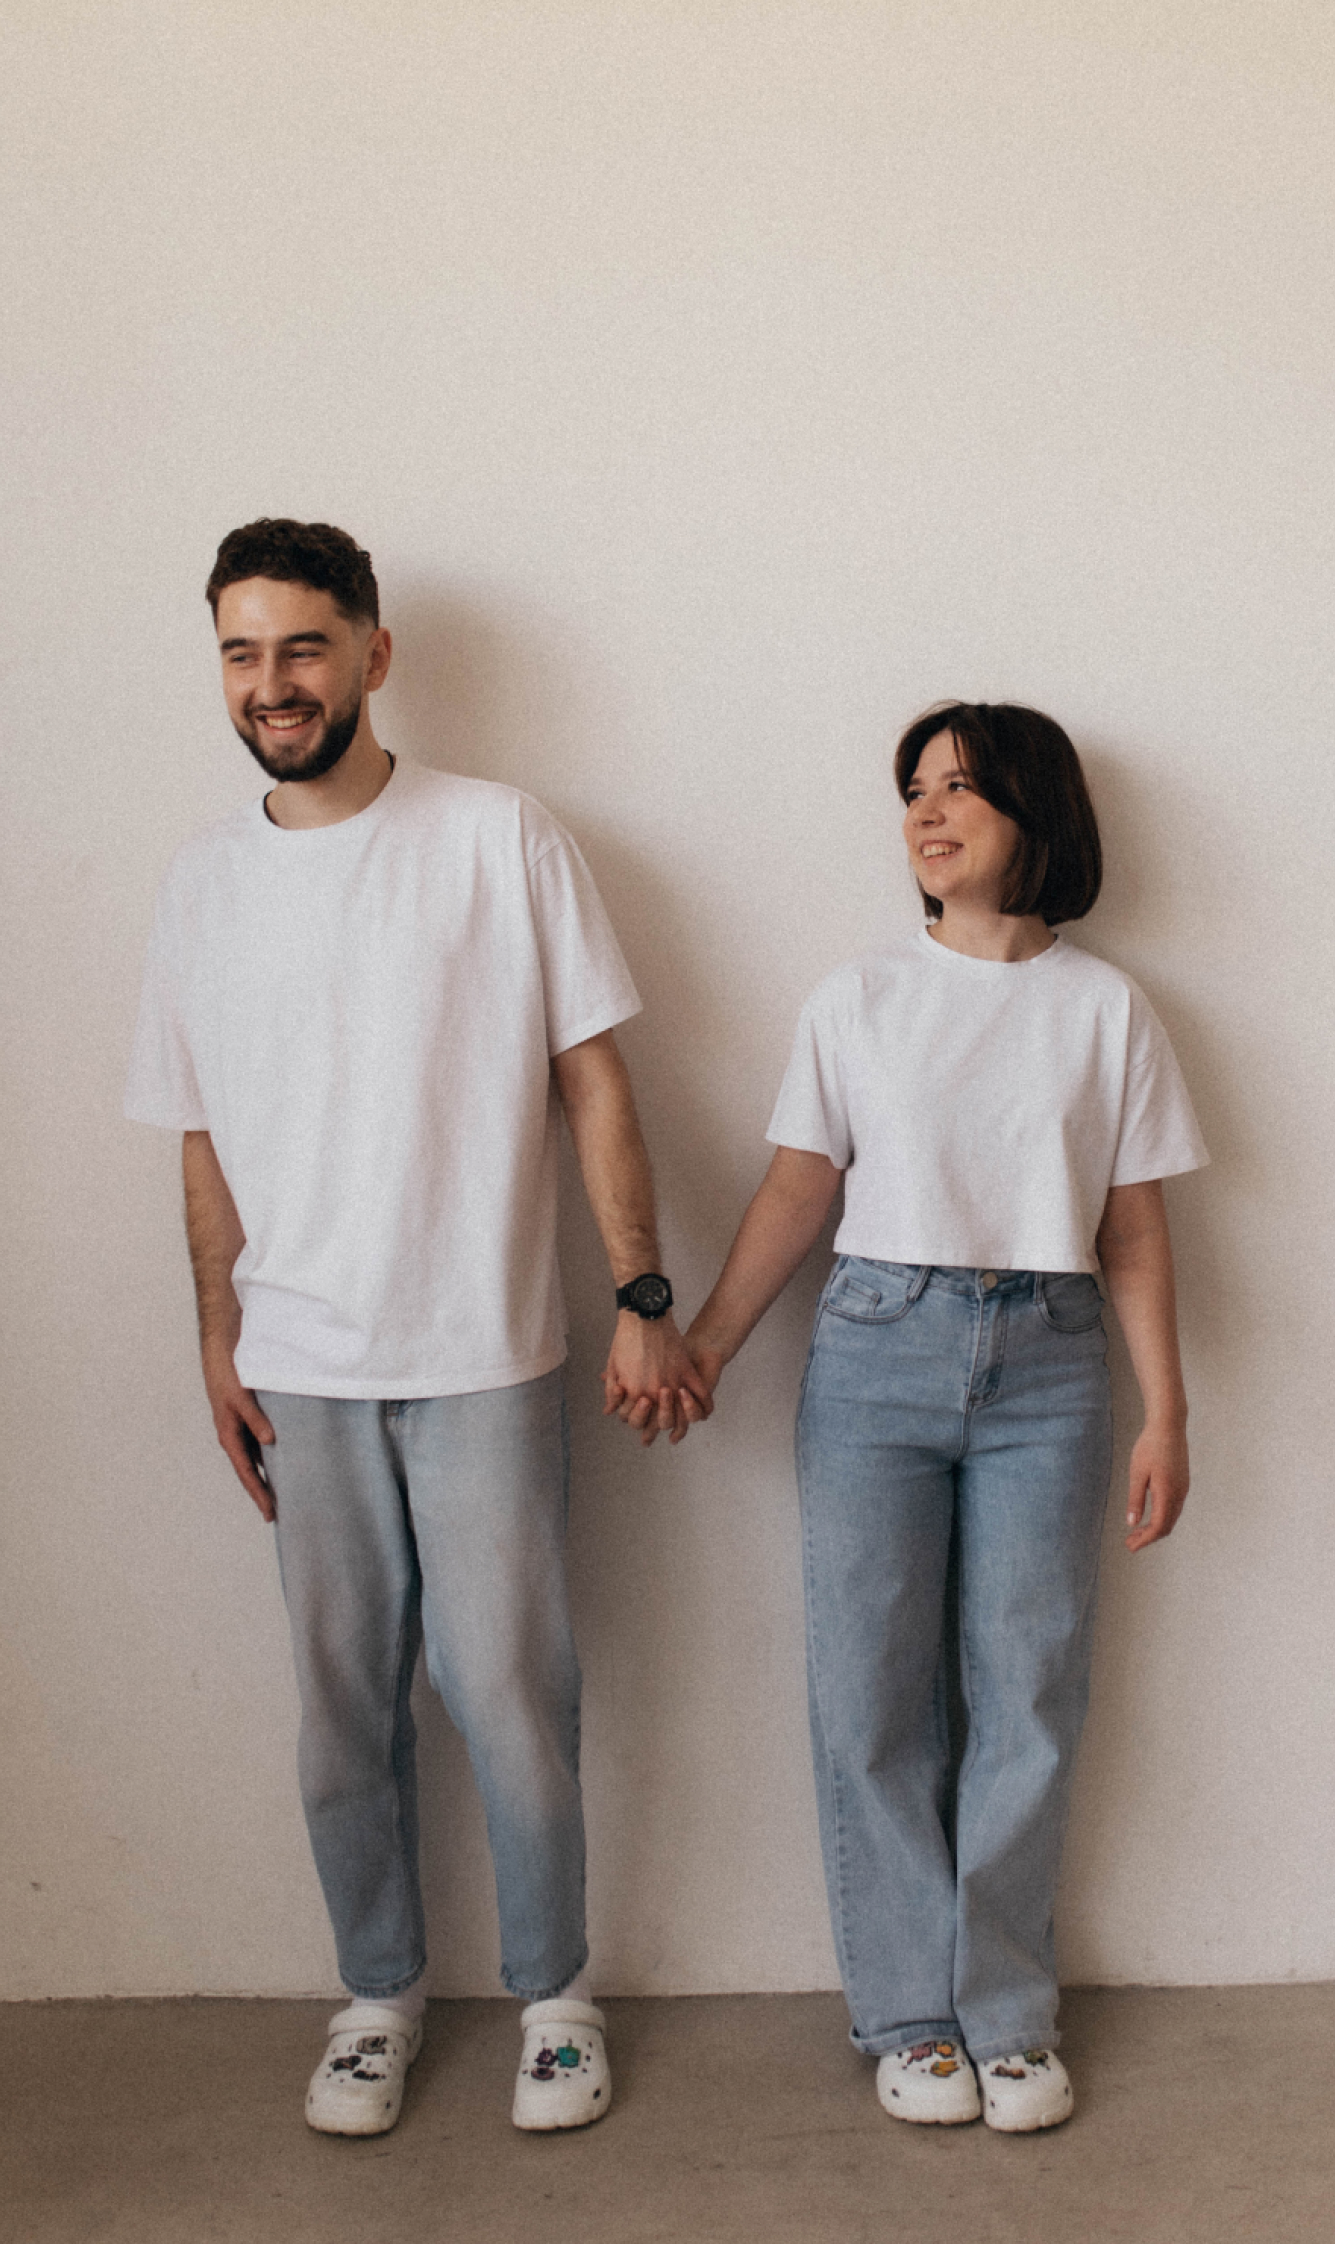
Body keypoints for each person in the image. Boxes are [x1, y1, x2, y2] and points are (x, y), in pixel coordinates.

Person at [125, 518, 710, 2137]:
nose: (271, 682)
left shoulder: (498, 837)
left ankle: (556, 1997)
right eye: (241, 653)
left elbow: (594, 1080)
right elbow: (201, 1136)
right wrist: (215, 1336)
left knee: (510, 1690)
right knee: (338, 1709)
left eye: (302, 647)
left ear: (372, 655)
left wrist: (643, 1292)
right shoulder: (201, 883)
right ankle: (377, 1995)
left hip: (482, 1352)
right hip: (297, 1365)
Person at [677, 702, 1207, 2133]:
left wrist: (1166, 1414)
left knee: (1030, 1690)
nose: (928, 810)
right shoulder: (857, 997)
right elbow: (800, 1185)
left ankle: (1009, 2012)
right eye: (916, 788)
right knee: (874, 1693)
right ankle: (910, 2014)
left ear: (1039, 812)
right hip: (876, 1353)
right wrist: (709, 1343)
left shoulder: (1106, 1010)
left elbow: (1134, 1228)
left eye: (963, 787)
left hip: (1052, 1358)